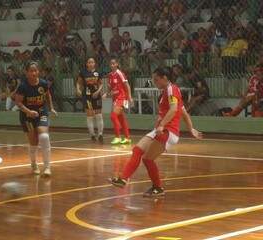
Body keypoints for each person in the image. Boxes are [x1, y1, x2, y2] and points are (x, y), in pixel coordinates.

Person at [109, 67, 203, 198]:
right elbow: (184, 113)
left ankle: (157, 188)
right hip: (161, 129)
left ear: (165, 78)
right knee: (137, 151)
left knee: (147, 158)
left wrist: (162, 124)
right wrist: (191, 129)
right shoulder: (168, 91)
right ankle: (123, 179)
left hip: (168, 131)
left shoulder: (171, 89)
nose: (154, 82)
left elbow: (174, 109)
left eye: (156, 79)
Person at [15, 62, 57, 176]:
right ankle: (34, 164)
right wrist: (28, 112)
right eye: (31, 71)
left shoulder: (43, 83)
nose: (34, 73)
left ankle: (47, 167)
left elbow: (48, 95)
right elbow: (18, 102)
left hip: (41, 112)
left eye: (35, 70)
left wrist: (51, 107)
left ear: (38, 71)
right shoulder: (23, 86)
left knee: (44, 137)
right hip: (27, 116)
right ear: (27, 72)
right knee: (34, 142)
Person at [103, 58, 133, 145]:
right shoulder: (110, 75)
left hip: (122, 98)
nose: (112, 65)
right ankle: (127, 138)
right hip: (115, 99)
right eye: (111, 64)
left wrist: (129, 97)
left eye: (113, 64)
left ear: (117, 64)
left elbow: (127, 85)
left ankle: (118, 137)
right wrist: (106, 93)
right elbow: (110, 87)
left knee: (113, 116)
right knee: (121, 118)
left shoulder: (120, 73)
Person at [76, 58, 104, 143]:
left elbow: (101, 84)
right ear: (87, 64)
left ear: (94, 63)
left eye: (92, 62)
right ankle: (92, 134)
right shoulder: (83, 72)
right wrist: (78, 89)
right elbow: (78, 82)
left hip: (96, 96)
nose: (91, 63)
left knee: (99, 115)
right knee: (90, 115)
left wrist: (98, 92)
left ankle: (100, 134)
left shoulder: (98, 72)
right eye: (89, 62)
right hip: (87, 96)